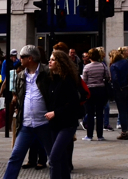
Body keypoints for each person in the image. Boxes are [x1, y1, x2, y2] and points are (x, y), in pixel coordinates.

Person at [2, 46, 53, 179]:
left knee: (53, 157)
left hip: (44, 123)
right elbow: (20, 96)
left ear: (30, 58)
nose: (19, 59)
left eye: (22, 57)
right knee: (15, 156)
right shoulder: (20, 75)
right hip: (26, 124)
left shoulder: (47, 72)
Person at [46, 50, 84, 179]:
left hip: (67, 124)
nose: (49, 62)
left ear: (60, 63)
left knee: (54, 158)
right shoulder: (52, 79)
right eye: (50, 59)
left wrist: (55, 113)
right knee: (61, 159)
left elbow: (73, 103)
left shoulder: (68, 80)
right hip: (54, 124)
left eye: (53, 60)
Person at [81, 48, 109, 142]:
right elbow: (107, 77)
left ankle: (89, 135)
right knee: (100, 113)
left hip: (90, 91)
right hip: (101, 90)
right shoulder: (102, 66)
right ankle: (100, 135)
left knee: (90, 113)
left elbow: (84, 81)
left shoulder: (87, 67)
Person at [109, 48, 128, 139]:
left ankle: (124, 131)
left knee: (122, 111)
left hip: (120, 90)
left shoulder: (114, 66)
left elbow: (115, 79)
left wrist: (116, 88)